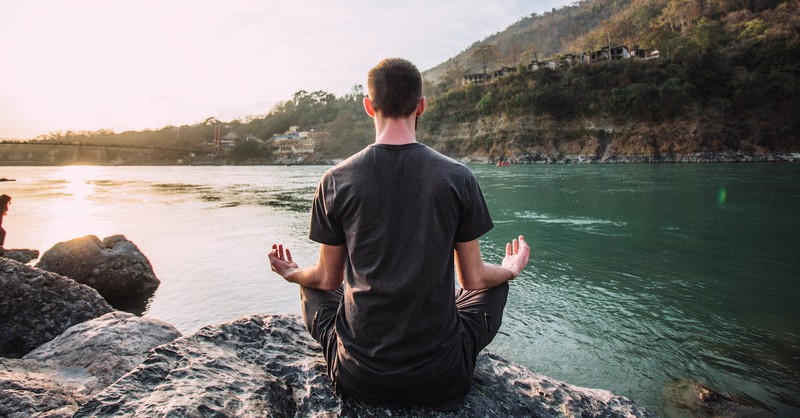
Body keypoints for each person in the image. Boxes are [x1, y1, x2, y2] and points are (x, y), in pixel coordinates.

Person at [268, 58, 530, 410]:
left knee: (312, 285)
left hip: (357, 377)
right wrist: (510, 269)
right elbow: (473, 279)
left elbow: (327, 279)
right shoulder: (458, 177)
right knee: (495, 284)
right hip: (442, 377)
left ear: (368, 107)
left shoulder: (335, 180)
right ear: (421, 105)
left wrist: (291, 273)